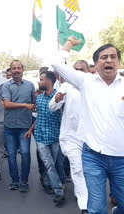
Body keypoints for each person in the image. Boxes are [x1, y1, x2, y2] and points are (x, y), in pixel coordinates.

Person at [52, 37, 124, 214]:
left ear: (119, 62)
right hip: (94, 156)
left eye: (113, 57)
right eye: (104, 57)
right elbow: (56, 63)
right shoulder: (86, 82)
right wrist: (69, 42)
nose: (108, 60)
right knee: (97, 208)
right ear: (96, 64)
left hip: (121, 158)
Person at [49, 61, 89, 212]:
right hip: (71, 136)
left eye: (82, 69)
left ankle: (91, 195)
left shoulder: (93, 86)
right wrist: (57, 100)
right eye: (76, 69)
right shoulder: (66, 86)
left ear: (88, 71)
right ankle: (84, 204)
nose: (78, 72)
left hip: (91, 136)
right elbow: (51, 107)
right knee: (77, 168)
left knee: (89, 170)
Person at [25, 70, 65, 206]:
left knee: (53, 163)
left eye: (41, 79)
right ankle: (59, 191)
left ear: (48, 81)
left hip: (55, 136)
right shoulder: (40, 98)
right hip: (41, 137)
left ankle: (47, 181)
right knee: (48, 164)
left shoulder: (59, 97)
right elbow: (40, 116)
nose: (39, 81)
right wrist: (31, 129)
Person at [2, 60, 36, 192]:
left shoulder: (30, 85)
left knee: (26, 154)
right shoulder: (6, 86)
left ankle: (24, 181)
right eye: (13, 68)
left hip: (25, 126)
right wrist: (24, 105)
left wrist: (35, 102)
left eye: (18, 68)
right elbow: (7, 104)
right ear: (10, 71)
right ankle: (15, 181)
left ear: (23, 70)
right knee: (11, 155)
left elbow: (34, 104)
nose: (16, 70)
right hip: (9, 126)